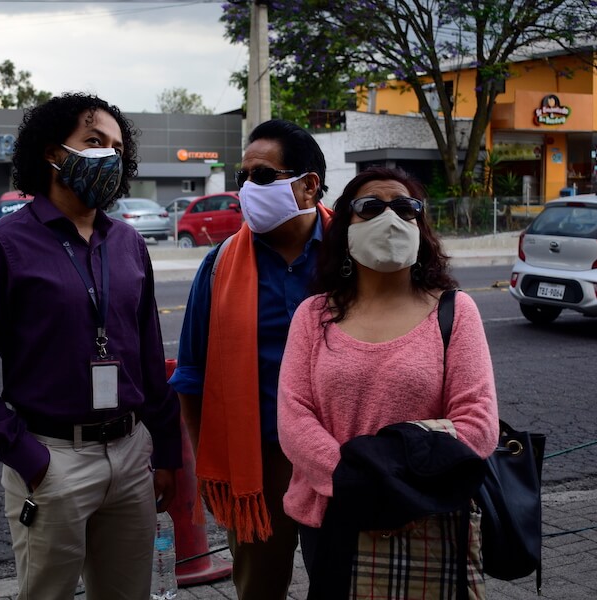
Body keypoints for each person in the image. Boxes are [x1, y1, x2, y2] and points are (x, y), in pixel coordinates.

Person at [0, 93, 181, 600]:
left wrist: (167, 453)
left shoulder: (129, 244)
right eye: (94, 141)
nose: (108, 155)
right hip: (52, 460)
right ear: (52, 153)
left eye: (116, 146)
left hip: (132, 455)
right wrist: (28, 457)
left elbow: (150, 360)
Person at [277, 167, 500, 598]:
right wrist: (351, 479)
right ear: (344, 228)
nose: (390, 217)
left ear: (421, 225)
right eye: (371, 207)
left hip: (426, 520)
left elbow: (478, 424)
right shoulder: (312, 315)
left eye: (404, 207)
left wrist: (396, 484)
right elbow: (293, 417)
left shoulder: (455, 312)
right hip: (331, 516)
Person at [169, 119, 330, 600]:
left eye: (262, 176)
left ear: (307, 186)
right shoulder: (219, 265)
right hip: (255, 463)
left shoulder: (354, 254)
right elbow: (191, 376)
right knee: (259, 588)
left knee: (344, 581)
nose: (246, 189)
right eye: (243, 177)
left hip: (340, 455)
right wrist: (208, 464)